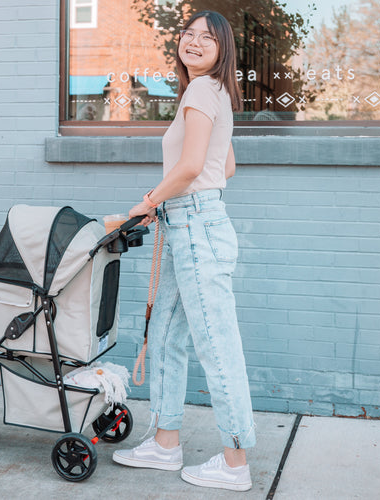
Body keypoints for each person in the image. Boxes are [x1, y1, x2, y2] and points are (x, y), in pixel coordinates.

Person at [112, 10, 256, 492]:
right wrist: (171, 201)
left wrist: (152, 199)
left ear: (222, 51)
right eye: (189, 34)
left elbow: (194, 165)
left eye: (207, 38)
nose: (194, 42)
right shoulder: (214, 93)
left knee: (216, 346)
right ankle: (165, 442)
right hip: (190, 223)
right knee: (169, 336)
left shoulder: (201, 90)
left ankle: (235, 463)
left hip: (195, 227)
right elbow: (225, 165)